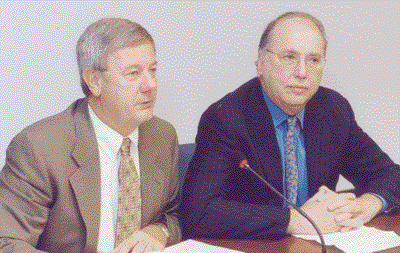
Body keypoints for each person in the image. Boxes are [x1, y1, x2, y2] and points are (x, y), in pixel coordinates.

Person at [181, 11, 400, 240]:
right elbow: (199, 213)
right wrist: (297, 220)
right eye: (289, 57)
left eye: (313, 60)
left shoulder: (333, 110)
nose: (302, 72)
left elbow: (390, 175)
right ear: (261, 62)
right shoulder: (226, 118)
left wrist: (369, 203)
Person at [0, 18, 180, 253]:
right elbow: (7, 242)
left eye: (152, 70)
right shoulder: (39, 148)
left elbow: (176, 213)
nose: (150, 84)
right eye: (133, 73)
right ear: (94, 81)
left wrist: (159, 231)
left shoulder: (162, 136)